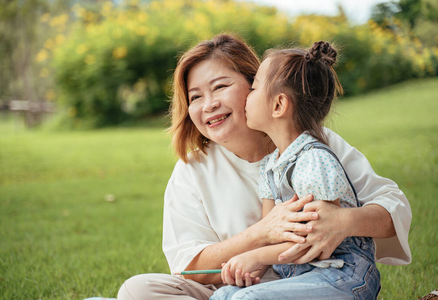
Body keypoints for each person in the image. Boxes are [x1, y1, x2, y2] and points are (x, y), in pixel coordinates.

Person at [117, 34, 411, 300]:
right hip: (233, 289)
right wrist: (260, 235)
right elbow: (188, 267)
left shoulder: (314, 145)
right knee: (137, 291)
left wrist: (343, 221)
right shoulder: (192, 169)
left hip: (318, 280)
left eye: (220, 87)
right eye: (195, 97)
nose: (208, 105)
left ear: (255, 86)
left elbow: (393, 207)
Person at [211, 41, 381, 300]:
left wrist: (253, 255)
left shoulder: (313, 161)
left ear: (278, 105)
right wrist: (251, 267)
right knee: (224, 295)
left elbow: (318, 243)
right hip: (304, 277)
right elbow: (271, 237)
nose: (247, 95)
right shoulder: (270, 166)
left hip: (343, 275)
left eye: (254, 88)